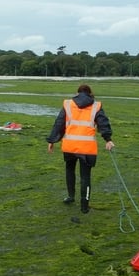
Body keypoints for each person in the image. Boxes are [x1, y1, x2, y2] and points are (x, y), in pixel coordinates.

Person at [46, 84, 115, 214]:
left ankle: (70, 197)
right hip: (87, 148)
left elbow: (59, 123)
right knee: (85, 177)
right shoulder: (96, 106)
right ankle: (84, 205)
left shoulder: (68, 104)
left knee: (69, 171)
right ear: (90, 93)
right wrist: (108, 140)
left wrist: (52, 140)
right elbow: (103, 123)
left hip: (69, 146)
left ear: (77, 93)